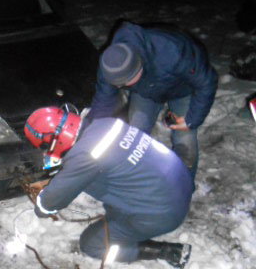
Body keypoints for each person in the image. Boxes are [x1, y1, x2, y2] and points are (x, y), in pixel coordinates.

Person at [25, 106, 193, 267]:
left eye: (45, 148)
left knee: (91, 244)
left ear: (56, 140)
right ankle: (128, 228)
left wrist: (40, 206)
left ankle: (165, 251)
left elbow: (50, 202)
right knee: (110, 192)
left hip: (163, 213)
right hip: (180, 183)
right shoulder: (105, 124)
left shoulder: (85, 155)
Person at [85, 21, 218, 180]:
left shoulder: (173, 51)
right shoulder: (110, 67)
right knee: (133, 133)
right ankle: (135, 180)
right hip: (145, 93)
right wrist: (90, 134)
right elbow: (103, 101)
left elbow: (206, 81)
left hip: (182, 90)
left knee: (185, 141)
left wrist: (192, 120)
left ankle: (184, 186)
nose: (120, 86)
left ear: (138, 66)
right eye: (117, 84)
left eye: (124, 83)